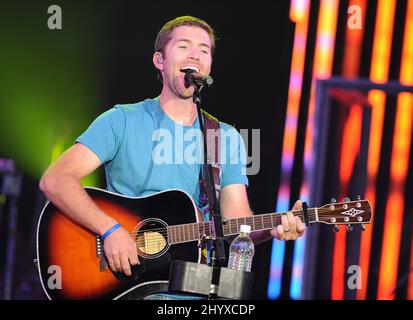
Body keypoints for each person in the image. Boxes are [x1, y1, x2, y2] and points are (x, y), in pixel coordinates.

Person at [39, 15, 305, 297]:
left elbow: (237, 222)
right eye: (184, 46)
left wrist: (275, 227)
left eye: (204, 50)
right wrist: (110, 229)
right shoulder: (121, 120)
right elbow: (55, 180)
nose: (195, 54)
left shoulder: (224, 137)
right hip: (126, 287)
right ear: (159, 61)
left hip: (192, 292)